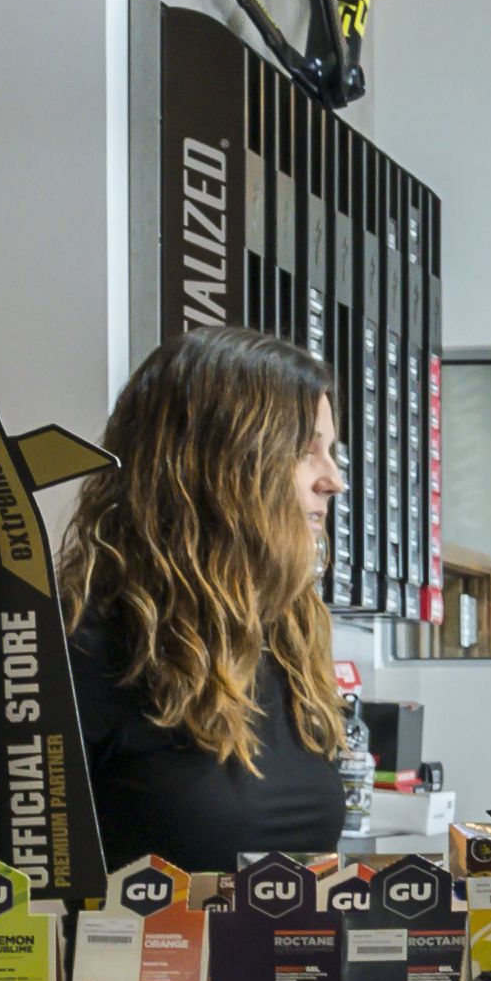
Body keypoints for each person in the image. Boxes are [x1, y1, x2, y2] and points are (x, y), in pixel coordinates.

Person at [65, 320, 357, 874]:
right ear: (223, 465)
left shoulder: (285, 635)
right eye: (306, 451)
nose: (333, 480)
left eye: (330, 451)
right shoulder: (86, 643)